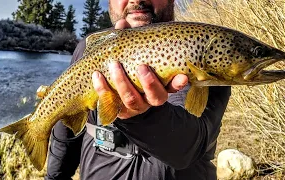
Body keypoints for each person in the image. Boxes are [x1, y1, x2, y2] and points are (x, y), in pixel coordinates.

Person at [45, 0, 231, 179]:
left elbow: (189, 148)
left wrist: (140, 117)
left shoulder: (202, 48)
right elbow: (65, 130)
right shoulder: (88, 51)